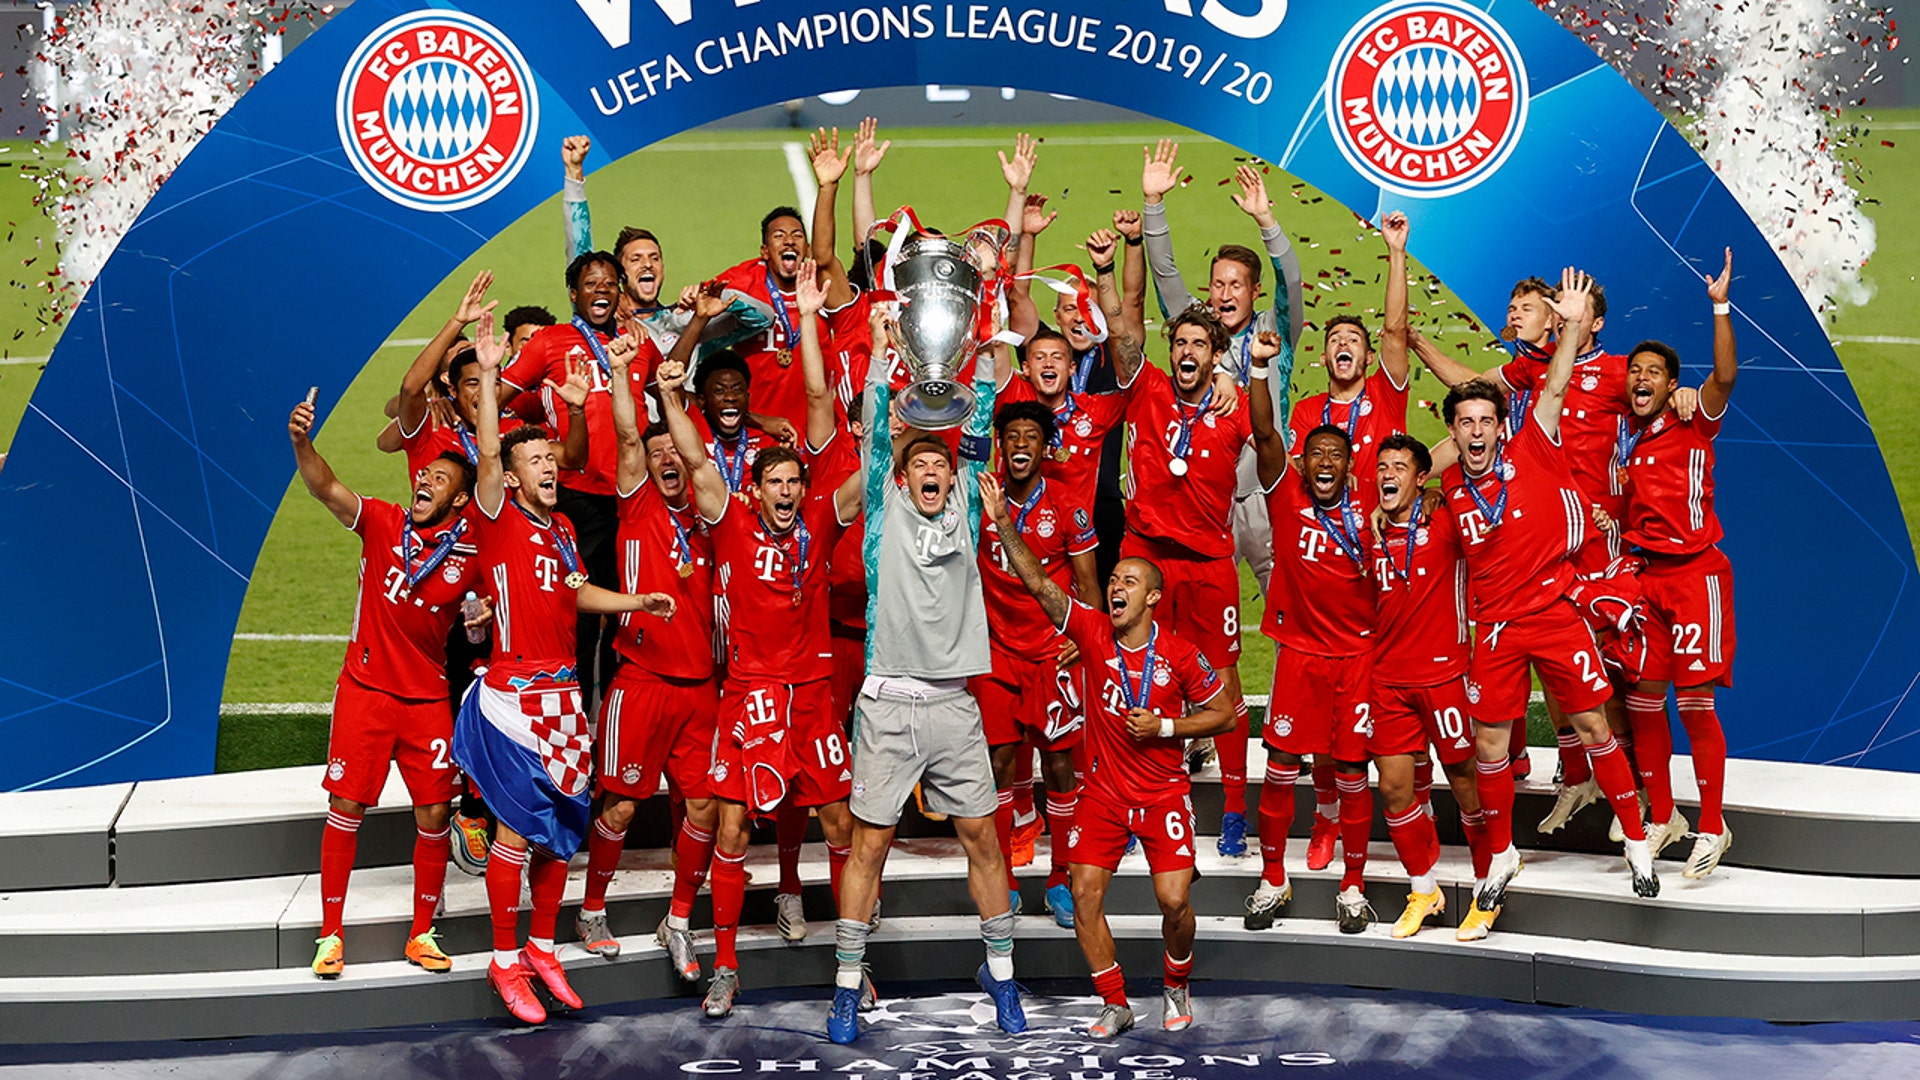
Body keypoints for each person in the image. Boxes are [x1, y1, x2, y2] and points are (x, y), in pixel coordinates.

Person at [457, 310, 675, 1025]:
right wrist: (490, 375)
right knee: (519, 830)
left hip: (564, 698)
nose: (548, 466)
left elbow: (576, 592)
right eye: (535, 461)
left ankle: (542, 946)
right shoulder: (497, 515)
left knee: (563, 829)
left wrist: (634, 598)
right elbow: (487, 454)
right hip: (513, 698)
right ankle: (501, 957)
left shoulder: (561, 526)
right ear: (512, 477)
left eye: (552, 459)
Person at [656, 265, 863, 1017]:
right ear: (756, 491)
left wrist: (815, 323)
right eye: (773, 483)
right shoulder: (731, 520)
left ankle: (850, 964)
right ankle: (726, 964)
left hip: (810, 698)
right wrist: (674, 397)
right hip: (749, 697)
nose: (783, 492)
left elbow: (838, 432)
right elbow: (695, 457)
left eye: (792, 484)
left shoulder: (820, 521)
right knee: (732, 823)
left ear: (802, 492)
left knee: (840, 824)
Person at [825, 307, 1028, 1045]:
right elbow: (878, 435)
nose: (934, 471)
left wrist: (978, 350)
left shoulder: (968, 503)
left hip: (953, 706)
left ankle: (1002, 978)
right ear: (904, 478)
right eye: (922, 465)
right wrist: (880, 357)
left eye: (941, 464)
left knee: (983, 838)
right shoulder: (883, 513)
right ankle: (847, 987)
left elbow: (981, 423)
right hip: (886, 705)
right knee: (869, 847)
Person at [1437, 270, 1657, 944]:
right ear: (1455, 430)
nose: (1476, 432)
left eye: (1484, 421)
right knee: (1491, 744)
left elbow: (1555, 384)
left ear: (1501, 427)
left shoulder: (1533, 443)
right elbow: (1405, 473)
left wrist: (1567, 323)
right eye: (1465, 422)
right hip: (1497, 631)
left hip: (1554, 614)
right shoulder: (1447, 483)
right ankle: (1501, 852)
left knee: (1594, 725)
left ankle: (1639, 841)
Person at [984, 474, 1230, 1038]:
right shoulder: (1093, 634)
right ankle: (1114, 1000)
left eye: (1129, 581)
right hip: (1105, 794)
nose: (1115, 586)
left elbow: (1226, 715)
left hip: (1164, 791)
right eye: (1113, 578)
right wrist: (1003, 523)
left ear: (1152, 597)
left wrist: (1167, 725)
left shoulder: (1180, 654)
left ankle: (1176, 983)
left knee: (1173, 902)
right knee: (1085, 895)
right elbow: (1043, 587)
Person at [288, 401, 485, 980]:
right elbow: (325, 487)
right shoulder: (382, 520)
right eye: (425, 474)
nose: (424, 479)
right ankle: (330, 935)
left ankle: (422, 934)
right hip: (366, 691)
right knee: (346, 806)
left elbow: (495, 594)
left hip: (427, 700)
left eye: (440, 478)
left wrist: (485, 611)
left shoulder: (470, 555)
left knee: (434, 815)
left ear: (457, 500)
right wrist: (302, 442)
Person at [1139, 145, 1301, 847]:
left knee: (1291, 611)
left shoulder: (1274, 335)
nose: (1225, 292)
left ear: (1253, 289)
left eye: (1238, 283)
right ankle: (1196, 741)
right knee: (1174, 641)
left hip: (1258, 502)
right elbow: (1165, 276)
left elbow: (1294, 285)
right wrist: (1153, 208)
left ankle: (1303, 726)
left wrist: (1268, 222)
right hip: (1193, 514)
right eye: (1218, 283)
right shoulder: (1195, 338)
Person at [571, 321, 723, 980]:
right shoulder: (636, 506)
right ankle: (592, 908)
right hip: (643, 681)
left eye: (675, 451)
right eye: (655, 450)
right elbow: (629, 435)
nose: (664, 457)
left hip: (702, 690)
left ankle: (680, 919)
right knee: (624, 805)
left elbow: (692, 456)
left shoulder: (710, 513)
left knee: (704, 807)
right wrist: (623, 372)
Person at [1242, 329, 1379, 931]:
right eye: (1315, 454)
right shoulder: (1287, 494)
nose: (1325, 462)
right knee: (1278, 768)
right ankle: (1274, 879)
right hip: (1297, 655)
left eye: (1336, 456)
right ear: (1301, 464)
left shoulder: (1373, 509)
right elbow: (1265, 434)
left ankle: (1353, 886)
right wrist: (1259, 369)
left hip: (1356, 659)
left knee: (1351, 773)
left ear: (1351, 467)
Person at [1618, 249, 1741, 880]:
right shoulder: (1625, 434)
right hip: (1646, 579)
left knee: (1694, 704)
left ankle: (1714, 826)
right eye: (1633, 371)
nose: (1640, 378)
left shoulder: (1697, 421)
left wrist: (1719, 303)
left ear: (1673, 384)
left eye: (1653, 373)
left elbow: (1724, 375)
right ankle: (1663, 814)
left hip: (1696, 576)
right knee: (1643, 700)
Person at [497, 251, 654, 709]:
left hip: (634, 503)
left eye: (609, 284)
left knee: (632, 616)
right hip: (579, 502)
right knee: (581, 619)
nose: (600, 290)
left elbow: (669, 397)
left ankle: (622, 727)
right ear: (573, 294)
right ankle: (577, 720)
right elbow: (501, 395)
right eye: (590, 284)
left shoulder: (639, 342)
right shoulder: (549, 342)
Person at [974, 400, 1101, 929]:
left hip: (1053, 653)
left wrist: (1087, 636)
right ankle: (1002, 877)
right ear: (1001, 446)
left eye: (1031, 437)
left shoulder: (1069, 506)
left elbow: (1089, 583)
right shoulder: (977, 501)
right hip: (997, 655)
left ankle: (1060, 878)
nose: (1021, 445)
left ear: (1045, 448)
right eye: (1012, 437)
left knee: (1060, 769)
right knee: (1000, 766)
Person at [1366, 433, 1482, 939]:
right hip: (1388, 678)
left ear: (1420, 477)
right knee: (1394, 789)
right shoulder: (1366, 529)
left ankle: (1488, 882)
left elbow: (1464, 441)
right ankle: (1424, 888)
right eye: (1382, 467)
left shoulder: (1447, 518)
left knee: (1465, 783)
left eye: (1401, 467)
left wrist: (1431, 479)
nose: (1388, 475)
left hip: (1444, 674)